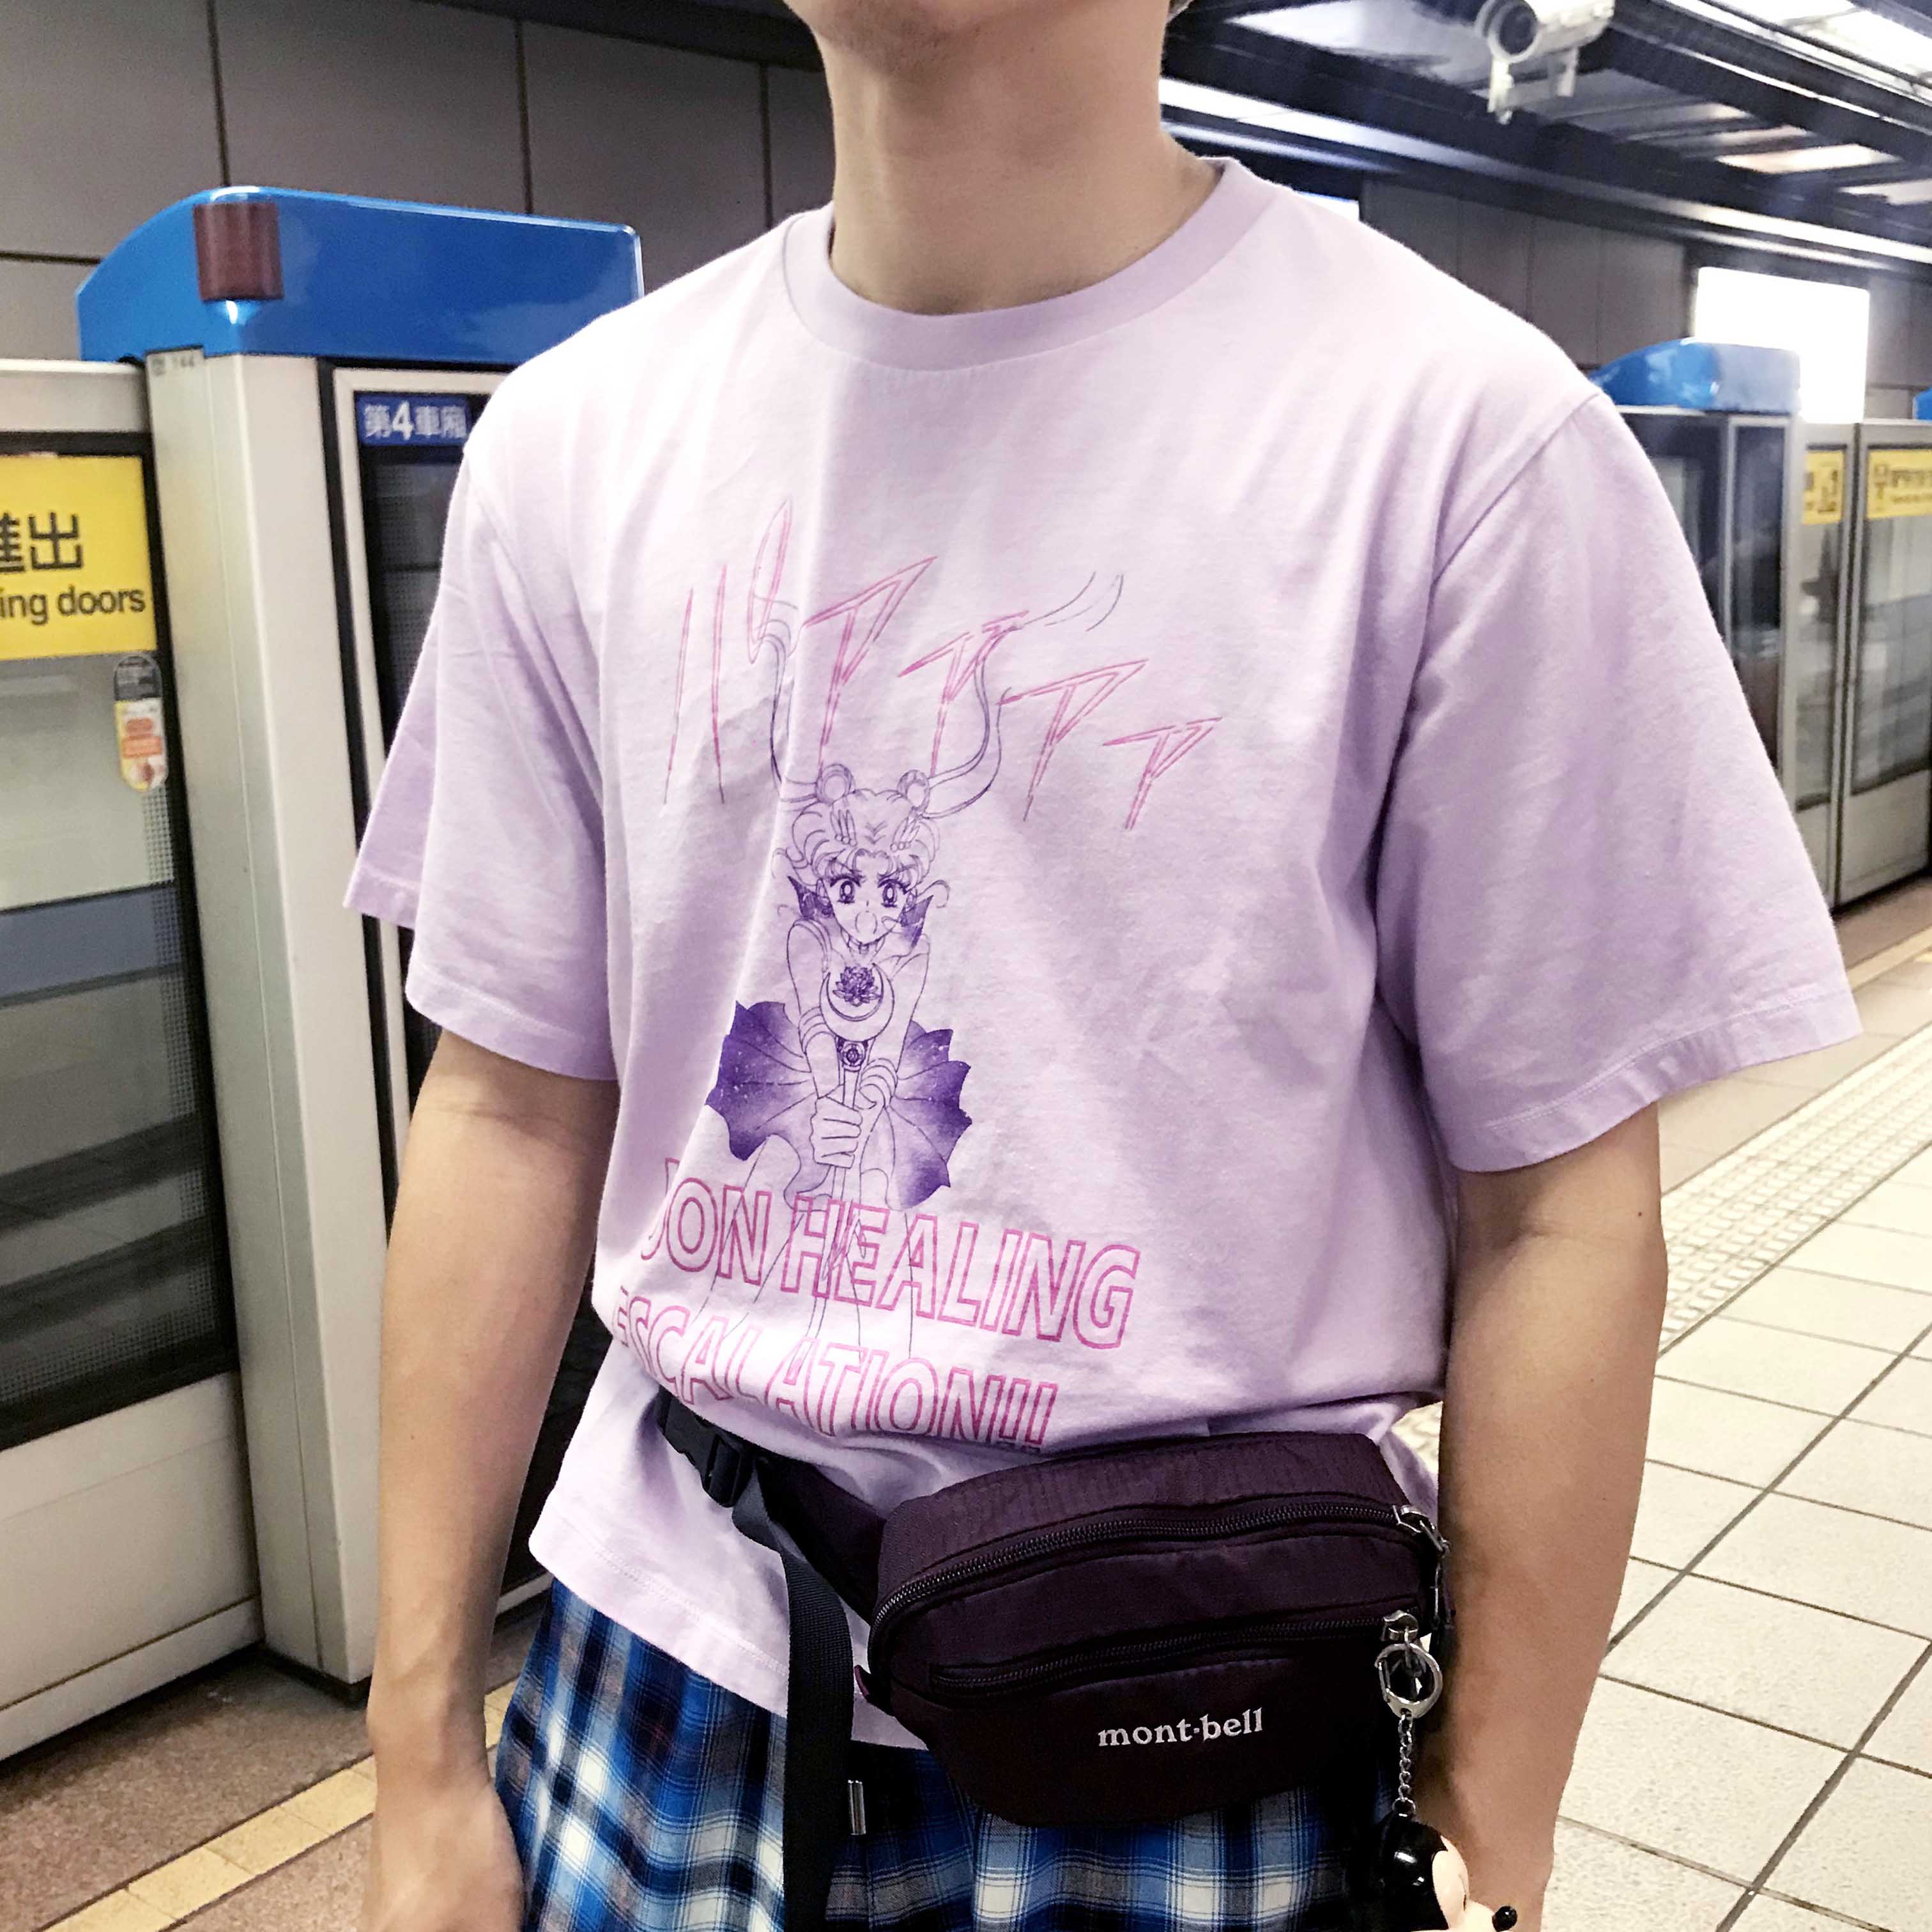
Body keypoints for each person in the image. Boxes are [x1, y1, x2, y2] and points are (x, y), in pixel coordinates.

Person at [350, 1, 1859, 1928]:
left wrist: (1499, 1777)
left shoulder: (1464, 441)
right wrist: (415, 1750)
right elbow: (508, 1104)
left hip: (1207, 1696)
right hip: (673, 1657)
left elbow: (1559, 1202)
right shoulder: (577, 444)